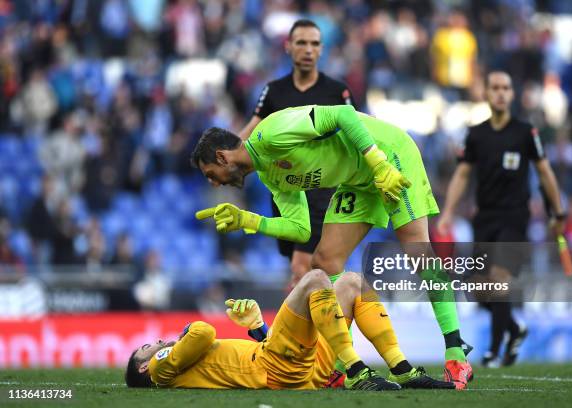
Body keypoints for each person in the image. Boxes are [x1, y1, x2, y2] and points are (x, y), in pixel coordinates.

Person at [190, 104, 473, 388]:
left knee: (418, 253)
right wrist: (248, 220)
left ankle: (456, 355)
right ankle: (343, 365)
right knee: (325, 261)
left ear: (221, 156)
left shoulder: (273, 133)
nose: (214, 183)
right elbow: (300, 229)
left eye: (210, 173)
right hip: (358, 181)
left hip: (387, 154)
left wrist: (377, 162)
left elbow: (343, 115)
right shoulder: (270, 174)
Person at [125, 270, 455, 390]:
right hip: (277, 368)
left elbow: (241, 362)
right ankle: (356, 371)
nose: (153, 343)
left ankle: (403, 370)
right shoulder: (158, 369)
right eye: (146, 347)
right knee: (315, 279)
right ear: (144, 365)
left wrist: (258, 329)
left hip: (299, 369)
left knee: (353, 283)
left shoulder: (178, 366)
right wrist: (186, 330)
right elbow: (203, 333)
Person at [437, 71, 565, 367]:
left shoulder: (525, 132)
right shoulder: (476, 134)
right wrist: (448, 213)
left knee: (498, 279)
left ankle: (494, 350)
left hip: (514, 216)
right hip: (485, 217)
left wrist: (558, 212)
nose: (500, 93)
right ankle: (514, 328)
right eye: (494, 87)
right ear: (486, 92)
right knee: (479, 289)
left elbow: (545, 172)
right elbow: (463, 174)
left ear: (512, 93)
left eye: (506, 88)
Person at [239, 19, 354, 288]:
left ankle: (306, 329)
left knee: (302, 268)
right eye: (301, 43)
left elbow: (357, 130)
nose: (308, 50)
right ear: (288, 47)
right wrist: (226, 157)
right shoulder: (274, 91)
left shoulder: (337, 91)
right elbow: (251, 130)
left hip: (322, 189)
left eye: (314, 44)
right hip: (286, 189)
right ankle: (315, 325)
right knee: (306, 272)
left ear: (322, 49)